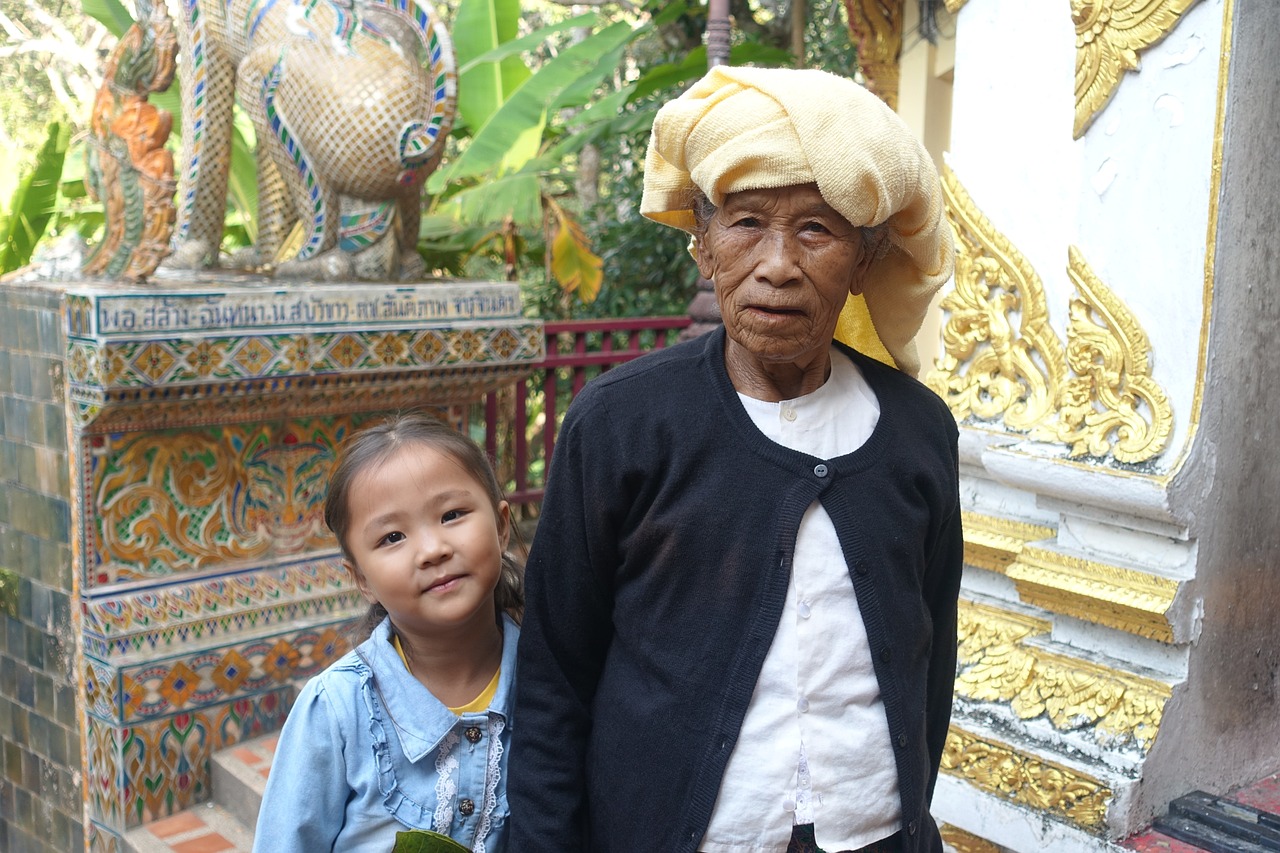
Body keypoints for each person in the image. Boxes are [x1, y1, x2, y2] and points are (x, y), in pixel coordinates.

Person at [509, 66, 962, 853]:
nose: (778, 263)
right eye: (747, 222)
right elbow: (555, 678)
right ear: (703, 246)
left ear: (863, 262)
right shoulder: (620, 425)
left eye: (816, 230)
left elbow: (932, 660)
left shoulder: (918, 433)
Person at [254, 413, 523, 853]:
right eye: (393, 537)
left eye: (452, 515)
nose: (432, 550)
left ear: (501, 525)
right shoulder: (338, 710)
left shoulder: (552, 682)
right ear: (361, 578)